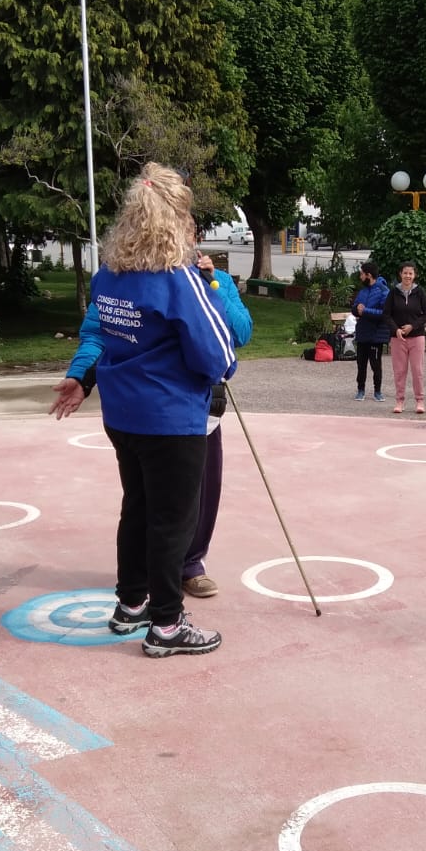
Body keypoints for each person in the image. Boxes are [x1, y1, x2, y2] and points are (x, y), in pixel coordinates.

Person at [78, 162, 237, 656]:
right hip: (170, 416)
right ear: (177, 220)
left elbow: (104, 336)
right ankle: (167, 624)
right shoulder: (177, 279)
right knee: (173, 519)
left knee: (138, 507)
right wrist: (222, 368)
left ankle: (131, 603)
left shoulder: (109, 276)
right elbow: (216, 354)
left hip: (122, 413)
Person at [50, 244, 252, 601]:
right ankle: (163, 614)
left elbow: (240, 333)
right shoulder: (126, 279)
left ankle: (170, 575)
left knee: (191, 496)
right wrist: (82, 376)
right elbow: (100, 334)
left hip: (182, 408)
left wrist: (213, 287)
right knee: (159, 508)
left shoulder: (208, 279)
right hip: (165, 408)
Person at [383, 261, 426, 415]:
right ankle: (400, 400)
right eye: (405, 273)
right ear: (400, 274)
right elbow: (386, 314)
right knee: (399, 371)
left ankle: (419, 400)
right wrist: (395, 329)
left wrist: (413, 326)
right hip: (398, 338)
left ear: (414, 275)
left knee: (417, 370)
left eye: (410, 273)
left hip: (416, 336)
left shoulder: (420, 292)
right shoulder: (393, 292)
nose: (408, 276)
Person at [351, 261, 390, 402]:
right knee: (361, 364)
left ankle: (377, 391)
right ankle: (360, 389)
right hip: (362, 333)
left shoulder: (383, 291)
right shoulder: (362, 291)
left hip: (376, 335)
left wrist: (365, 311)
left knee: (375, 364)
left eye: (362, 274)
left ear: (369, 275)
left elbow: (385, 313)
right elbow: (355, 307)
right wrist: (357, 309)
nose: (360, 277)